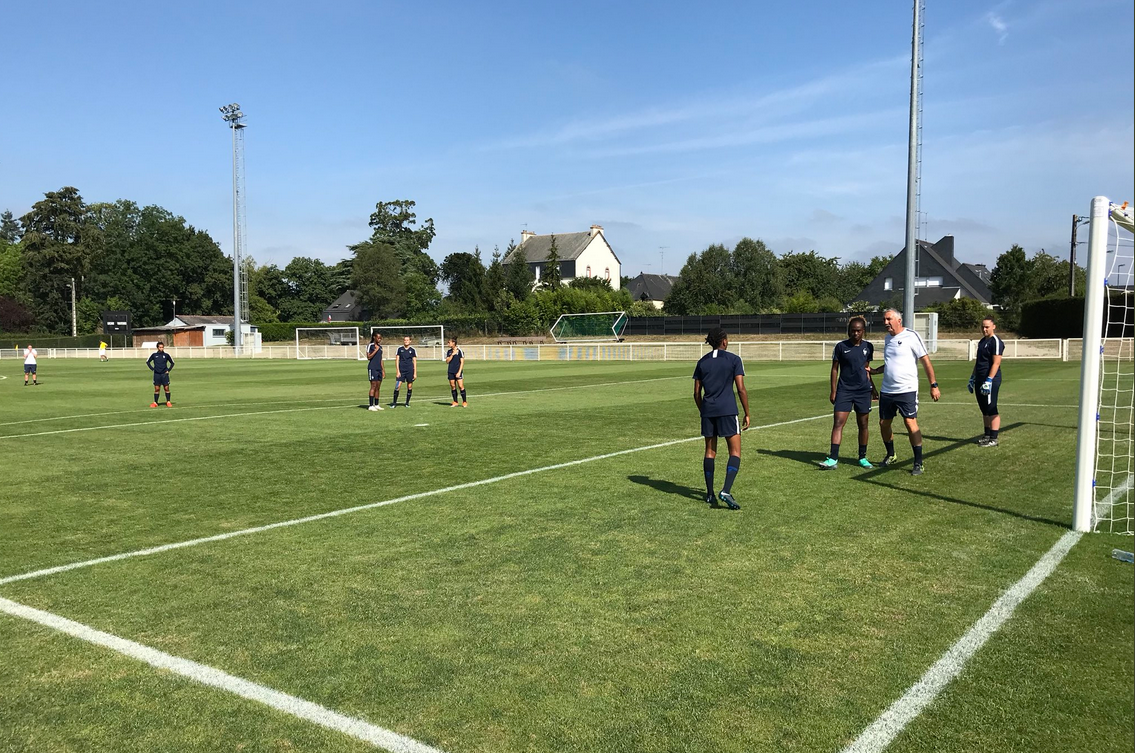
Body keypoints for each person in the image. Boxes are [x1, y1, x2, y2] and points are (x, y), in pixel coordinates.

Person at [867, 309, 940, 476]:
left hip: (907, 390)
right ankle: (891, 454)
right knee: (884, 424)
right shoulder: (887, 339)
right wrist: (876, 371)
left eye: (888, 319)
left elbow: (925, 360)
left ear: (898, 320)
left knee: (910, 423)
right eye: (884, 319)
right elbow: (891, 363)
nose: (885, 323)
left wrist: (933, 384)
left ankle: (918, 462)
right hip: (887, 390)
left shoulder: (911, 336)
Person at [693, 327, 751, 509]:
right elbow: (741, 388)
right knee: (735, 452)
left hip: (708, 411)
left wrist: (704, 410)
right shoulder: (734, 359)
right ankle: (725, 490)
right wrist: (747, 413)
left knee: (710, 452)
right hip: (728, 410)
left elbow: (696, 393)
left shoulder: (702, 362)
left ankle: (710, 494)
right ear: (724, 341)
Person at [820, 316, 879, 470]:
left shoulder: (869, 347)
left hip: (863, 391)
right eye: (852, 331)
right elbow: (834, 369)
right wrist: (833, 390)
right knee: (838, 423)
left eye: (858, 331)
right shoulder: (840, 347)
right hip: (844, 390)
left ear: (863, 331)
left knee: (863, 424)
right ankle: (833, 458)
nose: (855, 333)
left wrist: (873, 388)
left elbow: (867, 369)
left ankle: (862, 457)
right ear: (849, 331)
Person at [969, 316, 1004, 447]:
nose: (984, 329)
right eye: (982, 327)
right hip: (980, 378)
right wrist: (973, 377)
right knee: (984, 409)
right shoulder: (982, 341)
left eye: (987, 327)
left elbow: (996, 363)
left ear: (993, 326)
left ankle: (993, 439)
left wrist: (989, 380)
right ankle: (987, 435)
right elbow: (978, 362)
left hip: (991, 379)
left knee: (991, 408)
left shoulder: (996, 342)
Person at [389, 336, 417, 407]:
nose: (406, 341)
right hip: (401, 370)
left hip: (410, 370)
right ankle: (394, 403)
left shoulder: (412, 350)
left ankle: (407, 403)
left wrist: (415, 372)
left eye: (407, 340)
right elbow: (397, 360)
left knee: (409, 386)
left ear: (410, 341)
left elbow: (414, 361)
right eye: (405, 340)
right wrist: (397, 371)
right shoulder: (400, 349)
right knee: (397, 386)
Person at [146, 341, 175, 407]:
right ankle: (155, 402)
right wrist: (152, 369)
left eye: (162, 347)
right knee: (157, 389)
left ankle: (168, 401)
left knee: (166, 388)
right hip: (157, 374)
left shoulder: (166, 355)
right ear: (157, 348)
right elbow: (147, 362)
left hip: (164, 374)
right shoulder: (154, 355)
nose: (161, 348)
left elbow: (172, 363)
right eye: (160, 347)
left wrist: (168, 370)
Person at [366, 332, 385, 411]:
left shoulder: (380, 347)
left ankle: (376, 404)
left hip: (379, 369)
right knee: (373, 386)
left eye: (380, 338)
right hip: (372, 368)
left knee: (378, 387)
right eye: (378, 338)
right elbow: (368, 357)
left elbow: (380, 359)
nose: (379, 339)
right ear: (374, 337)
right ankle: (370, 405)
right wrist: (375, 350)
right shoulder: (370, 346)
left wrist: (383, 370)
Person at [446, 337, 467, 407]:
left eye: (449, 342)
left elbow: (462, 362)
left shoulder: (460, 351)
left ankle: (464, 402)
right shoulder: (449, 352)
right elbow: (447, 361)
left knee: (461, 386)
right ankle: (455, 401)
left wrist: (459, 372)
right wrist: (452, 354)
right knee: (453, 386)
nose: (448, 344)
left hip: (458, 371)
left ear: (453, 343)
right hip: (450, 371)